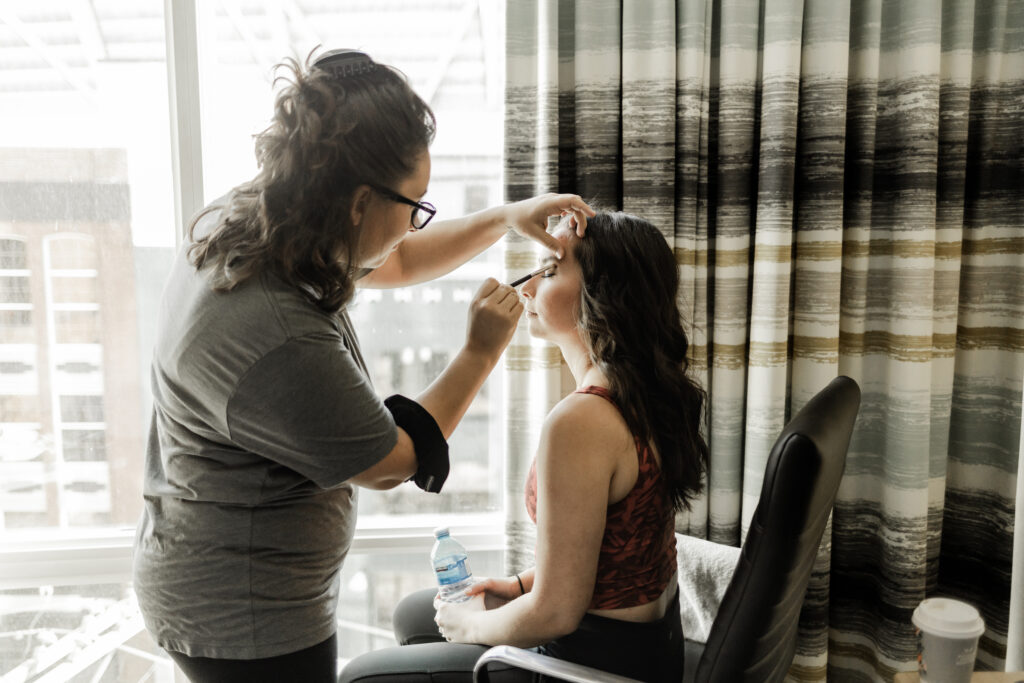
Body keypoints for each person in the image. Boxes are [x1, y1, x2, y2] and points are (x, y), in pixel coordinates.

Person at [131, 47, 594, 683]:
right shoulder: (270, 330)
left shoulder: (269, 213)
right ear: (357, 201)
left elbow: (394, 259)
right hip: (241, 613)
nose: (415, 223)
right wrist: (479, 353)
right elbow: (392, 461)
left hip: (232, 577)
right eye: (415, 205)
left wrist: (503, 218)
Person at [338, 211, 710, 683]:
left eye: (550, 271)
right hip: (650, 651)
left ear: (607, 296)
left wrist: (473, 625)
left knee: (360, 675)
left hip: (587, 666)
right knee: (416, 612)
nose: (528, 286)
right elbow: (611, 550)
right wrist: (515, 586)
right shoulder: (647, 392)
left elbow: (556, 614)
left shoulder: (581, 421)